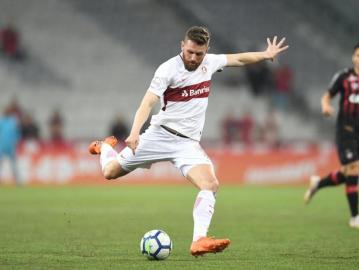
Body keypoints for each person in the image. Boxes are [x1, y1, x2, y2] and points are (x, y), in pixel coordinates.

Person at [88, 26, 288, 256]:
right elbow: (148, 102)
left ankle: (198, 240)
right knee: (110, 172)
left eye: (199, 54)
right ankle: (104, 147)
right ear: (182, 46)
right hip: (158, 135)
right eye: (190, 52)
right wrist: (134, 133)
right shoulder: (167, 69)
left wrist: (265, 55)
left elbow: (238, 59)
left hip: (187, 145)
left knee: (211, 185)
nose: (193, 58)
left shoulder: (209, 63)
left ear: (206, 51)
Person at [304, 42, 359, 229]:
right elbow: (327, 95)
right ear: (354, 58)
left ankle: (318, 183)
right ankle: (355, 217)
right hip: (345, 130)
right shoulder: (344, 77)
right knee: (354, 168)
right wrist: (325, 106)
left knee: (348, 174)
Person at [0, 107, 21, 185]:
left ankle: (18, 181)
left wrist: (16, 141)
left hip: (11, 146)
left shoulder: (13, 122)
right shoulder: (1, 121)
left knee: (14, 164)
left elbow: (17, 133)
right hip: (1, 146)